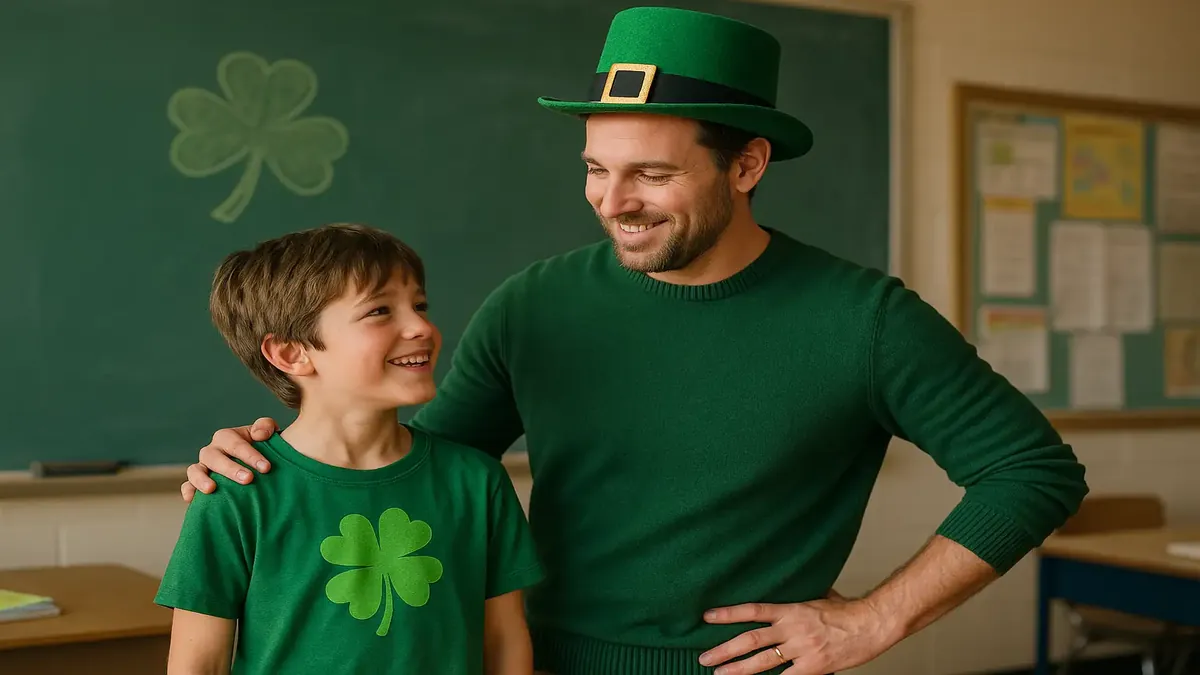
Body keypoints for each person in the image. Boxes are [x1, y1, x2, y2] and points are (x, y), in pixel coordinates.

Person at [178, 8, 1088, 675]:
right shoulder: (533, 303)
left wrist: (874, 620)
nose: (613, 202)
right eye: (595, 169)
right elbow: (421, 468)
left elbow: (1032, 471)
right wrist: (272, 453)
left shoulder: (865, 320)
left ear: (746, 164)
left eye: (651, 174)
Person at [156, 223, 544, 675]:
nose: (421, 326)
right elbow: (198, 662)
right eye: (380, 310)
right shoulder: (237, 492)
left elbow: (504, 639)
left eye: (419, 305)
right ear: (291, 354)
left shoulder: (477, 482)